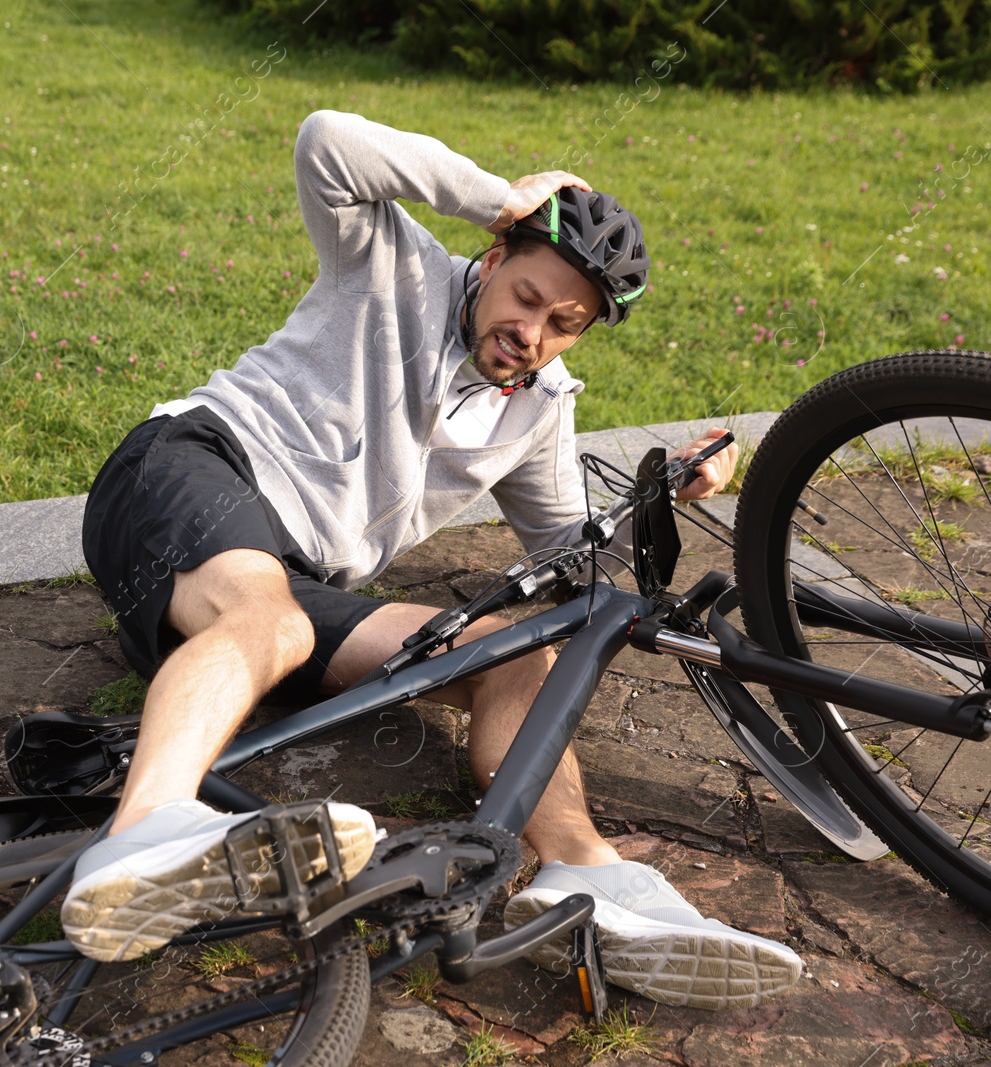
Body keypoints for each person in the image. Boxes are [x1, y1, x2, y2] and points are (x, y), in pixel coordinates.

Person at [59, 108, 801, 1011]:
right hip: (189, 470)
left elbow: (573, 565)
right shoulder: (391, 267)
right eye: (526, 297)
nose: (533, 332)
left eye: (564, 323)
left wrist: (670, 489)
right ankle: (141, 835)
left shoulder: (537, 411)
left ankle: (584, 875)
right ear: (491, 260)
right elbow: (325, 142)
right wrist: (496, 196)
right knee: (270, 614)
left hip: (289, 592)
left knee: (517, 656)